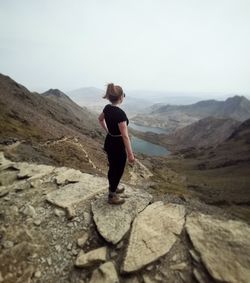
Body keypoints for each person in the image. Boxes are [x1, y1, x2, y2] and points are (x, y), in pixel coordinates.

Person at [98, 83, 135, 205]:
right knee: (118, 170)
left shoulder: (107, 108)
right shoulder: (121, 114)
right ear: (120, 98)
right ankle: (112, 195)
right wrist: (130, 154)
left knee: (112, 168)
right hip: (118, 145)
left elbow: (100, 119)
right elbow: (125, 136)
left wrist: (107, 131)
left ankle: (113, 187)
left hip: (109, 141)